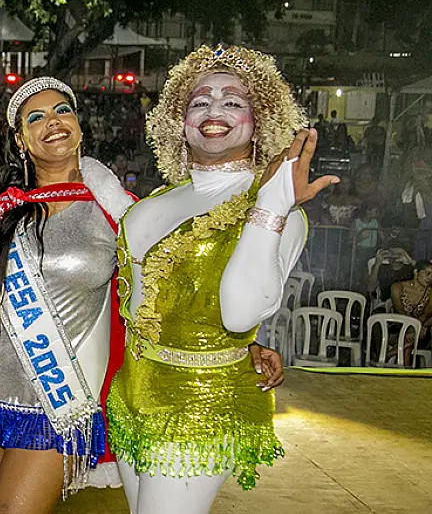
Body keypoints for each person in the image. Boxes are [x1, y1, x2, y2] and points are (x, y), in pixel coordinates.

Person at [109, 45, 333, 513]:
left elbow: (240, 314)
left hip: (202, 405)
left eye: (233, 101)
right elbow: (146, 305)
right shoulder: (153, 203)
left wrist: (272, 206)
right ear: (178, 120)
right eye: (199, 101)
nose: (214, 111)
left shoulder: (278, 212)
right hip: (130, 394)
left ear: (261, 120)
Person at [0, 77, 134, 510]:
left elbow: (160, 292)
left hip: (60, 403)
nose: (53, 122)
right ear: (20, 139)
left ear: (79, 125)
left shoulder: (116, 210)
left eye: (62, 111)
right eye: (36, 117)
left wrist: (244, 341)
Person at [391, 260, 432, 357]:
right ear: (416, 272)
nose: (430, 278)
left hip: (421, 328)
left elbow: (425, 315)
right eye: (428, 273)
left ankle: (387, 356)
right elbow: (399, 310)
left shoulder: (430, 292)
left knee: (410, 338)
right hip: (399, 325)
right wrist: (411, 328)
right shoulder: (397, 287)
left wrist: (414, 328)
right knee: (409, 338)